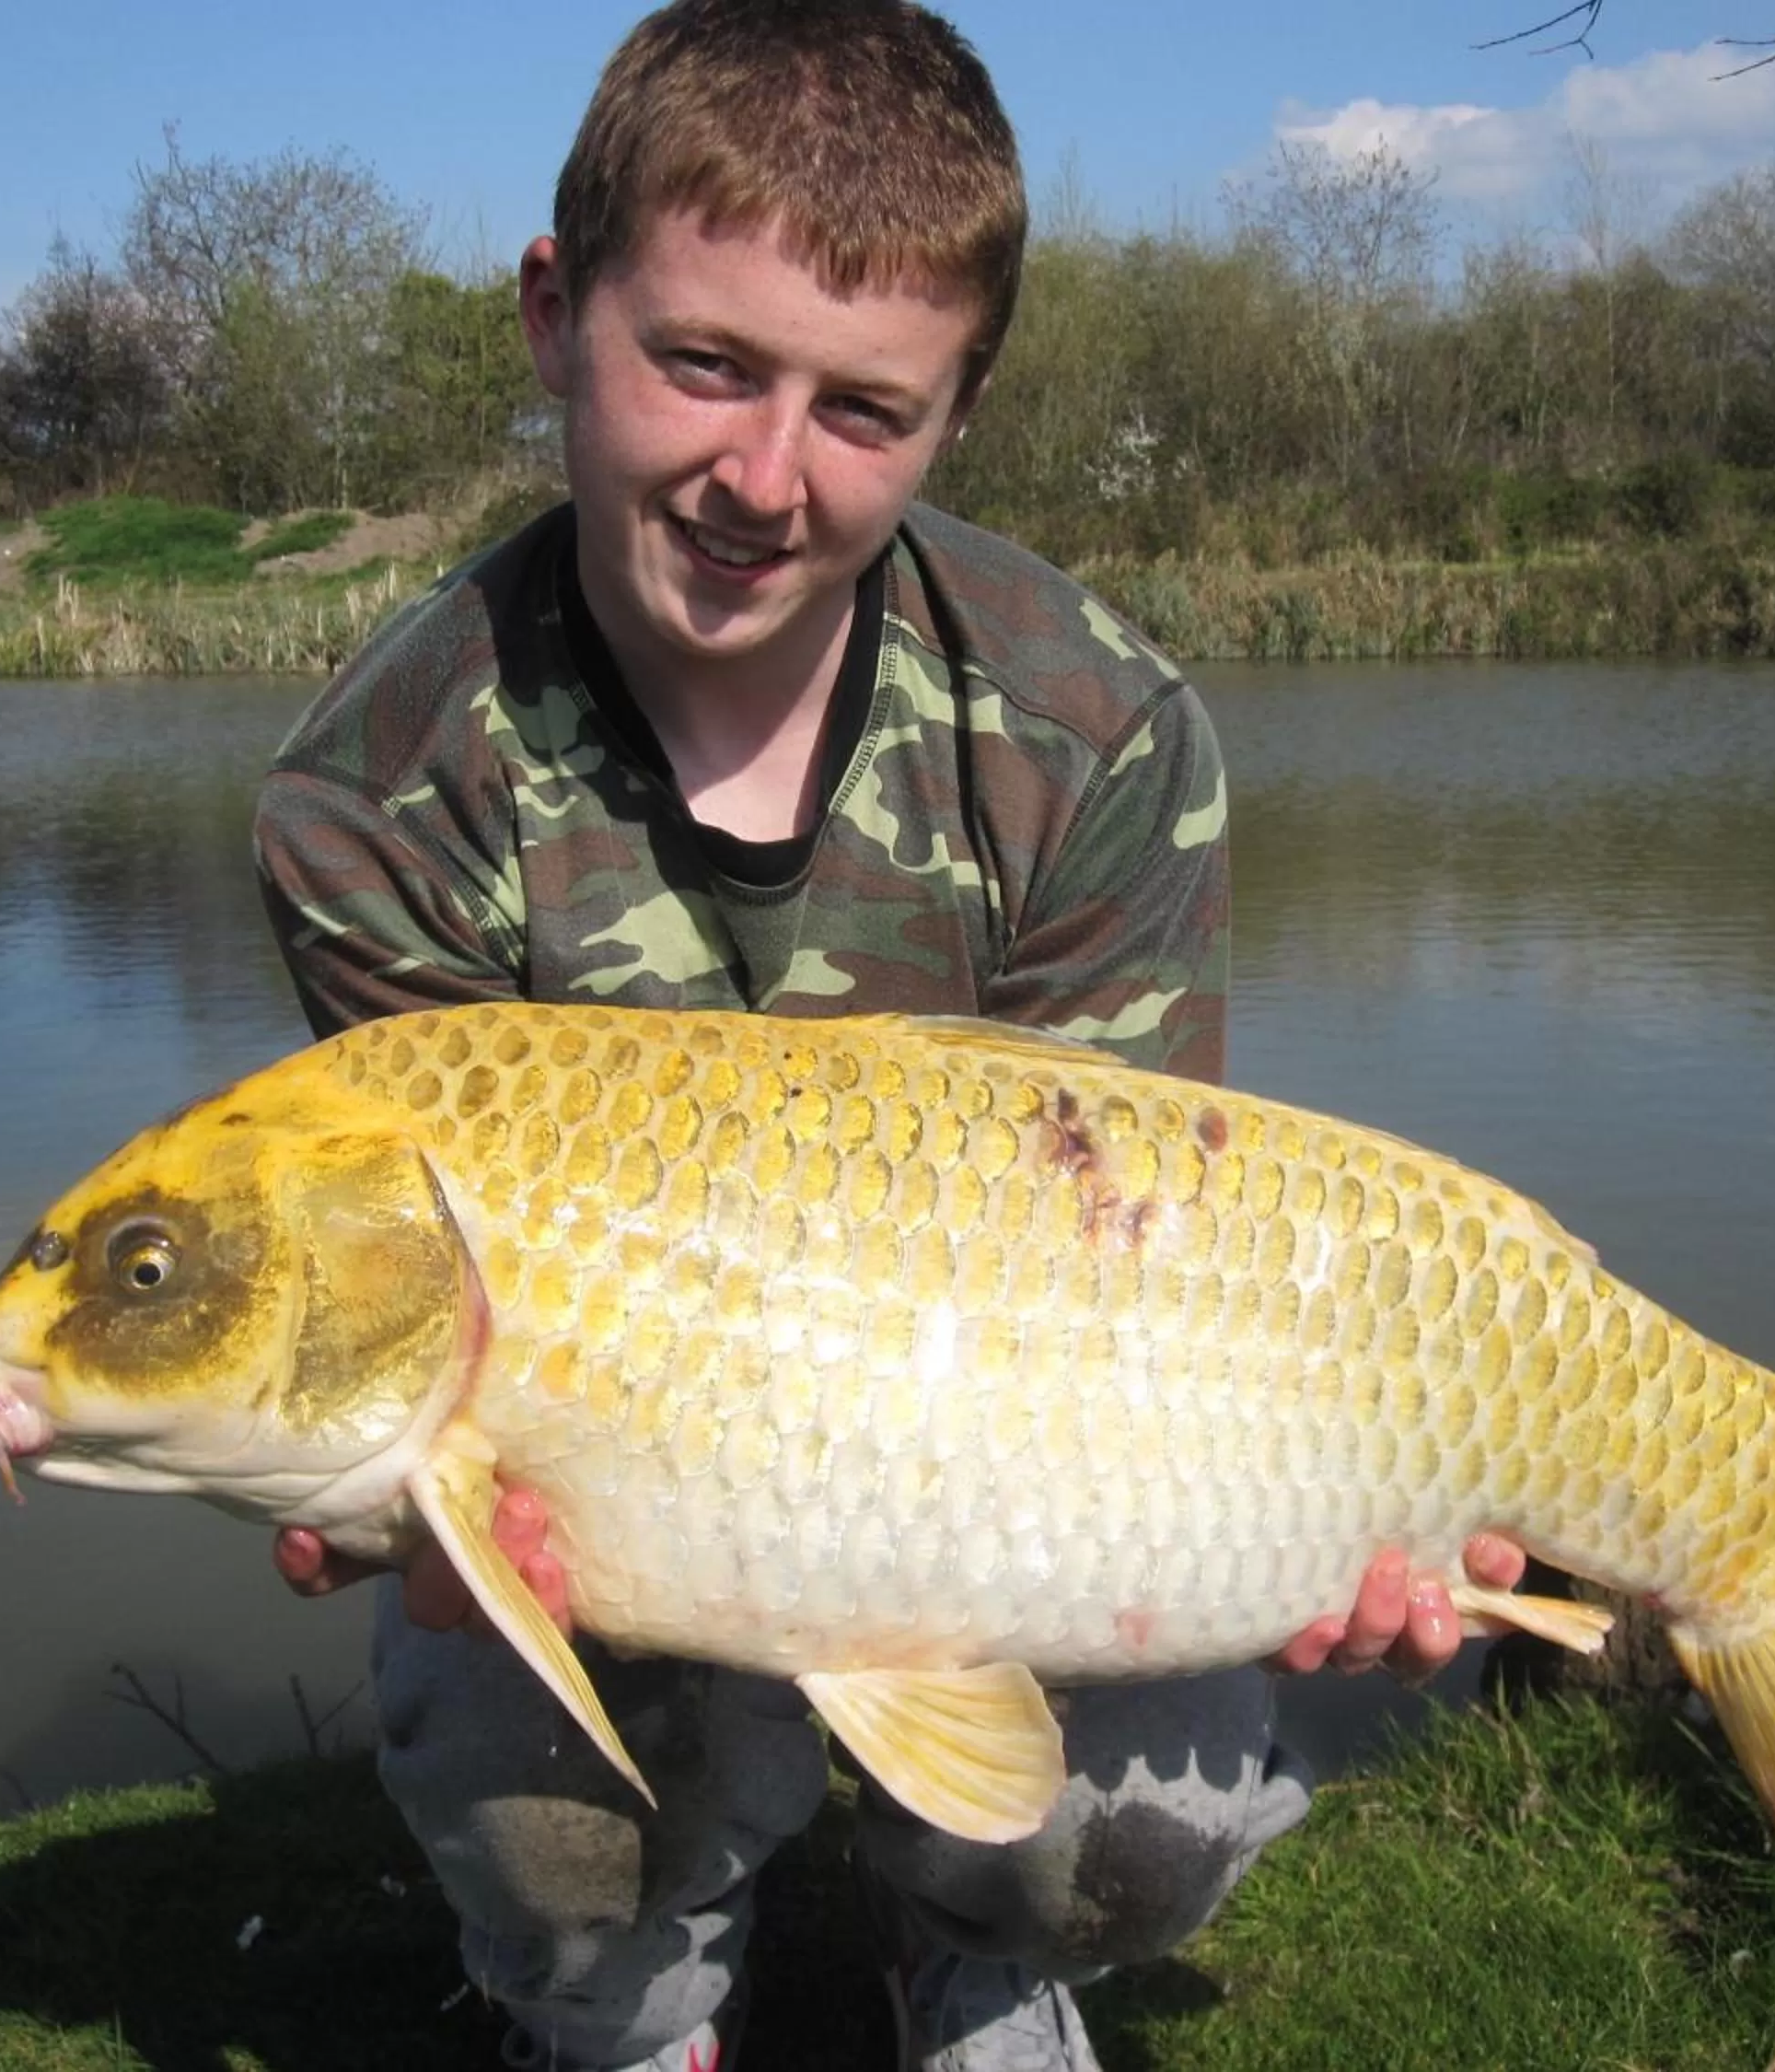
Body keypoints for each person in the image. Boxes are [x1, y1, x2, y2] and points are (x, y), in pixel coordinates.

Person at [251, 5, 1522, 2066]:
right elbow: (415, 1336)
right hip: (627, 1470)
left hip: (1008, 1437)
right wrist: (411, 1495)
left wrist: (1312, 1520)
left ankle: (978, 1946)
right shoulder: (382, 788)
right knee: (526, 1781)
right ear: (556, 315)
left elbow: (1138, 1305)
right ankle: (628, 2002)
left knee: (1137, 1807)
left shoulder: (1098, 730)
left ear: (960, 410)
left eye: (866, 409)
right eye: (704, 365)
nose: (766, 477)